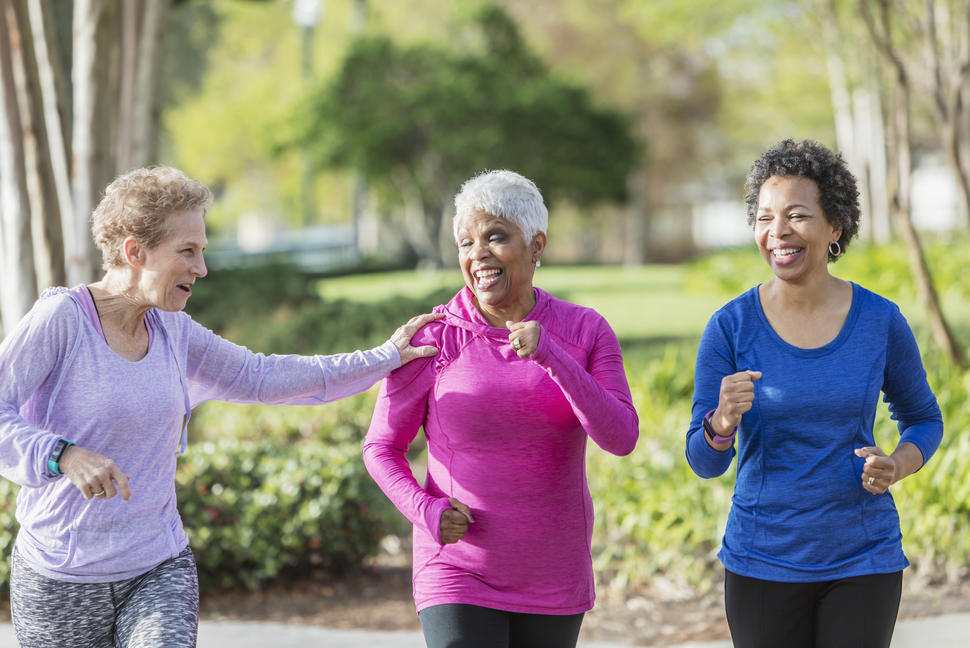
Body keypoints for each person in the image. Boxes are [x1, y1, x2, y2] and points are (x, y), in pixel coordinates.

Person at [0, 166, 442, 648]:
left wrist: (384, 357)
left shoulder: (172, 331)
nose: (201, 269)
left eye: (202, 251)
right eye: (186, 252)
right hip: (58, 576)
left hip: (155, 568)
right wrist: (62, 454)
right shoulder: (63, 319)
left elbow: (263, 376)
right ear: (134, 251)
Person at [363, 169, 639, 648]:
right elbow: (381, 446)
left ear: (536, 245)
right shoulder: (433, 338)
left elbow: (621, 437)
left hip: (554, 571)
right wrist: (424, 510)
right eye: (466, 243)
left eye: (496, 237)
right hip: (456, 568)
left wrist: (551, 354)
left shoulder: (586, 331)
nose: (478, 254)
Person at [686, 139, 944, 648]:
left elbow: (924, 418)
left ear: (835, 227)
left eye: (797, 215)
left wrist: (898, 464)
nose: (777, 232)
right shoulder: (731, 327)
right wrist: (720, 425)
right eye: (763, 218)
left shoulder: (879, 321)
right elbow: (704, 461)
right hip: (762, 560)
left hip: (862, 557)